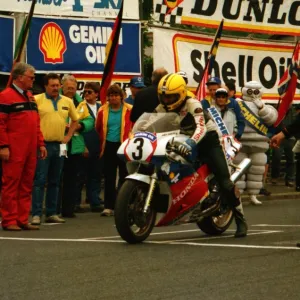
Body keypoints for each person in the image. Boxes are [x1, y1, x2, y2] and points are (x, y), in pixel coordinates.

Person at [156, 73, 247, 238]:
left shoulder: (193, 103)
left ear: (181, 94)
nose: (167, 101)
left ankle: (240, 219)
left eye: (171, 97)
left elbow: (201, 128)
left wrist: (191, 143)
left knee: (225, 181)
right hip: (180, 139)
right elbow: (153, 124)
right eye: (164, 97)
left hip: (207, 140)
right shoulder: (162, 107)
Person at [0, 63, 46, 231]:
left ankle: (21, 218)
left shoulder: (30, 96)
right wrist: (3, 146)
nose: (33, 80)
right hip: (14, 148)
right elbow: (0, 124)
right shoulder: (5, 96)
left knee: (26, 184)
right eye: (31, 77)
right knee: (11, 184)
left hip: (30, 148)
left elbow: (36, 123)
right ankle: (9, 220)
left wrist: (40, 143)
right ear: (19, 78)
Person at [31, 73, 79, 225]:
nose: (55, 88)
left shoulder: (67, 101)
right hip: (43, 144)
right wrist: (38, 143)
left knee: (55, 180)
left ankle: (52, 212)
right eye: (52, 85)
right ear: (45, 86)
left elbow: (76, 120)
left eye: (57, 85)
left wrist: (68, 137)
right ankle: (36, 214)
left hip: (60, 144)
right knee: (40, 180)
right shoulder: (37, 99)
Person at [234, 81, 278, 205]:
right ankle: (238, 195)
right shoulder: (237, 104)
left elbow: (272, 119)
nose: (253, 94)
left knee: (257, 170)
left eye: (256, 91)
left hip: (259, 143)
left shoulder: (265, 106)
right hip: (240, 142)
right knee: (238, 170)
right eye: (250, 91)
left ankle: (253, 194)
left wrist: (262, 109)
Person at [96, 84, 132, 216]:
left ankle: (123, 205)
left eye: (116, 95)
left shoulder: (129, 110)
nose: (113, 98)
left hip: (124, 146)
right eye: (111, 95)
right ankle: (108, 206)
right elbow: (98, 128)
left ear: (121, 97)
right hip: (109, 146)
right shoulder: (102, 111)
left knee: (124, 176)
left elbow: (135, 126)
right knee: (109, 177)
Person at [77, 82, 103, 212]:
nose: (86, 94)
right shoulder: (81, 107)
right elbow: (77, 128)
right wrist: (83, 147)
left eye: (89, 92)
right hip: (85, 143)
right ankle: (76, 203)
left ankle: (94, 200)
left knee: (95, 174)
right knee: (81, 174)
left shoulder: (101, 107)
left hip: (97, 145)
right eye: (85, 92)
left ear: (96, 94)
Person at [271, 104, 300, 191]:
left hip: (290, 138)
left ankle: (290, 179)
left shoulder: (292, 114)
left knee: (291, 159)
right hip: (283, 136)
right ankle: (274, 177)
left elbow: (295, 125)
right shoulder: (277, 113)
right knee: (277, 158)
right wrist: (280, 135)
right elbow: (296, 125)